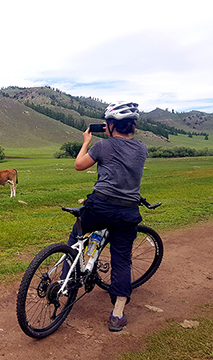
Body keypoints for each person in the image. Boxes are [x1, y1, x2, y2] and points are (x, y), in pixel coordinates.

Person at [68, 101, 148, 332]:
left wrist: (86, 143)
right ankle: (117, 315)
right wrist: (112, 130)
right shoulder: (142, 148)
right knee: (122, 260)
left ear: (110, 125)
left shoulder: (103, 147)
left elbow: (79, 165)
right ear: (132, 126)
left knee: (76, 236)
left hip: (101, 206)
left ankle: (69, 281)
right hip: (127, 211)